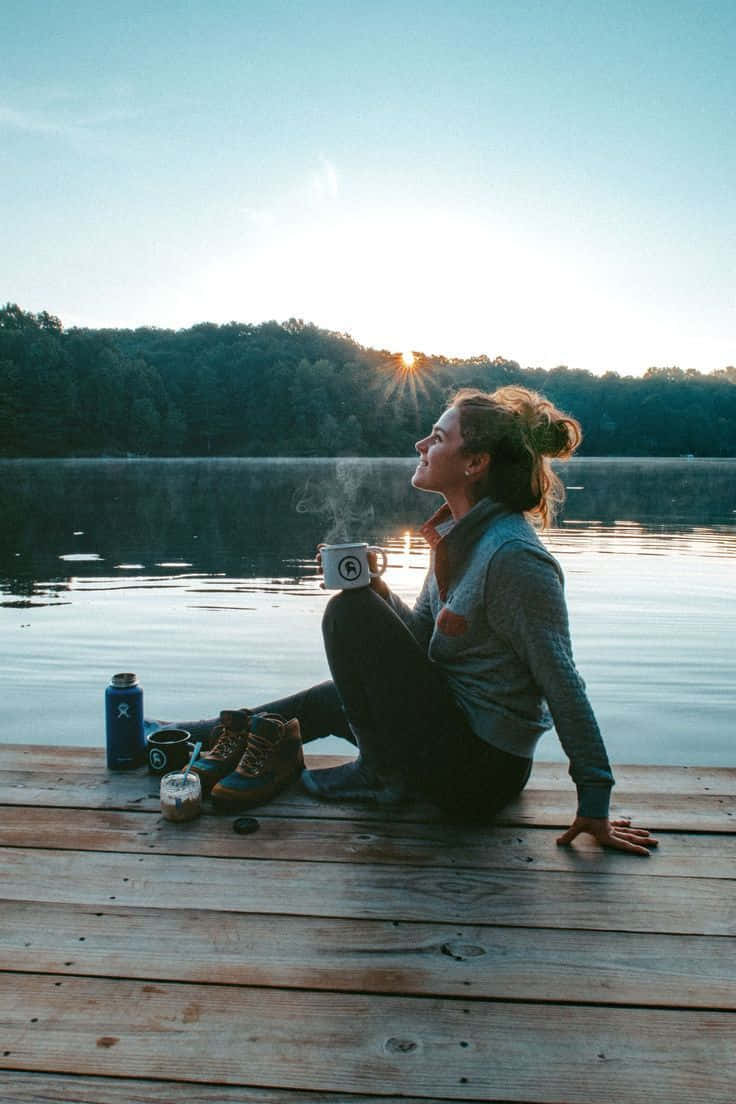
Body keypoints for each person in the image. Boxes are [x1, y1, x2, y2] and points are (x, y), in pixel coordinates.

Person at [173, 385, 656, 855]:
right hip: (448, 737)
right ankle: (214, 733)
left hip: (478, 776)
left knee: (348, 613)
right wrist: (372, 583)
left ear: (475, 463)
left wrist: (595, 801)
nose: (421, 445)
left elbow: (563, 683)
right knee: (356, 616)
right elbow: (418, 644)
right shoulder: (459, 537)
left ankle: (379, 775)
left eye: (438, 438)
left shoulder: (514, 558)